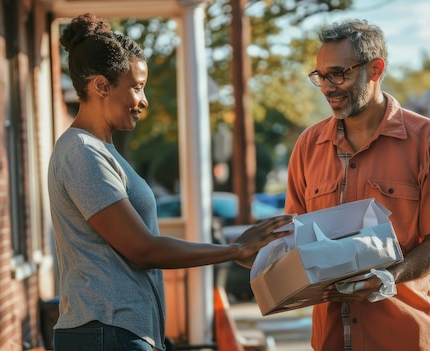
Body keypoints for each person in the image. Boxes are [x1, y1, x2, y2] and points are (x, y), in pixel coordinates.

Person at [48, 13, 293, 351]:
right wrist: (235, 250)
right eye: (136, 87)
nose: (144, 100)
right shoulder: (82, 153)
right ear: (102, 86)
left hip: (118, 331)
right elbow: (143, 249)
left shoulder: (101, 151)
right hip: (105, 331)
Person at [284, 19, 430, 350]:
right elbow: (292, 238)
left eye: (338, 74)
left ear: (376, 69)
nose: (327, 87)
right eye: (320, 77)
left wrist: (390, 276)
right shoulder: (307, 146)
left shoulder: (428, 139)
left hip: (406, 339)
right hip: (331, 341)